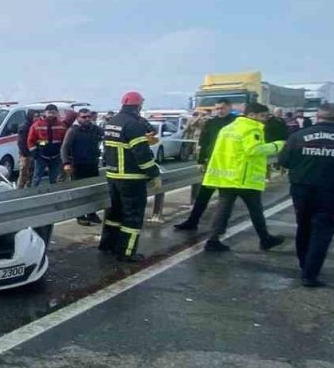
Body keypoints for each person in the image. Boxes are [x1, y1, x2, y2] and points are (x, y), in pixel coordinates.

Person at [278, 103, 334, 287]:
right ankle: (310, 274)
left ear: (317, 116)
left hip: (302, 189)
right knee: (323, 230)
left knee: (304, 226)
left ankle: (305, 264)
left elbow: (284, 161)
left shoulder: (298, 136)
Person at [201, 102, 286, 253]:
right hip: (244, 177)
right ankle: (265, 239)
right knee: (255, 210)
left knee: (223, 209)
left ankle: (213, 240)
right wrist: (278, 145)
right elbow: (253, 150)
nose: (265, 119)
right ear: (251, 115)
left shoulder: (228, 128)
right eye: (263, 116)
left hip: (227, 176)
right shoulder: (252, 129)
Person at [99, 92, 161, 263]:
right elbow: (142, 155)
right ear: (138, 106)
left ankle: (108, 245)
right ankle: (126, 252)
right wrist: (154, 173)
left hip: (113, 176)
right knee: (132, 217)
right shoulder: (134, 124)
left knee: (115, 213)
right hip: (131, 178)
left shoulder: (112, 122)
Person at [174, 100, 236, 231]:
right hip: (213, 164)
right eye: (217, 108)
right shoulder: (211, 123)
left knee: (226, 199)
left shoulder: (236, 122)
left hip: (230, 165)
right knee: (203, 195)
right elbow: (204, 142)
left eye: (222, 108)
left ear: (229, 108)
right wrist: (201, 160)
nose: (220, 111)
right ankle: (192, 222)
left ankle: (219, 228)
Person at [61, 107, 102, 224]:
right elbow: (64, 148)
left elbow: (107, 135)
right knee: (79, 192)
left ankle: (92, 214)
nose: (87, 119)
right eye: (84, 117)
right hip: (78, 165)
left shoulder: (95, 129)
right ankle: (80, 216)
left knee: (93, 190)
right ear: (78, 118)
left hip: (92, 163)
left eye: (89, 116)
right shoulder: (73, 130)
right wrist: (66, 163)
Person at [27, 104, 68, 187]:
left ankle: (53, 193)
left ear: (57, 113)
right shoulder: (37, 125)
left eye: (53, 113)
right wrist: (34, 152)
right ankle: (33, 193)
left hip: (56, 157)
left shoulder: (62, 125)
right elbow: (30, 140)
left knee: (54, 179)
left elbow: (65, 141)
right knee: (36, 178)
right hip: (41, 156)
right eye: (49, 112)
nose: (51, 115)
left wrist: (63, 153)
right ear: (45, 113)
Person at [15, 110, 36, 188]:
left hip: (33, 153)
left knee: (31, 174)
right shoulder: (24, 127)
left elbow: (39, 141)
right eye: (35, 116)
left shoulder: (35, 126)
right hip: (25, 155)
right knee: (23, 175)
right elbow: (21, 143)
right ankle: (19, 190)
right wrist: (26, 154)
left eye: (38, 116)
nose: (37, 118)